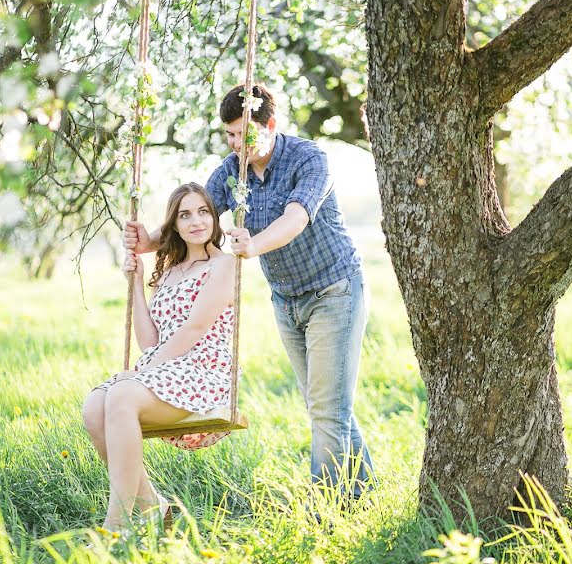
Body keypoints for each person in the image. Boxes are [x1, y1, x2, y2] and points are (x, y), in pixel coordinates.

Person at [124, 83, 375, 505]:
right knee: (326, 405)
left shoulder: (309, 159)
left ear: (270, 124)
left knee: (327, 407)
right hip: (287, 299)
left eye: (245, 134)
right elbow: (194, 216)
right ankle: (364, 493)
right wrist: (147, 241)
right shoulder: (230, 172)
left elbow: (296, 218)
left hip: (335, 290)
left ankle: (326, 508)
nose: (237, 144)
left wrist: (254, 246)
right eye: (230, 136)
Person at [82, 182, 237, 535]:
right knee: (94, 406)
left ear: (213, 217)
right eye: (185, 215)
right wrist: (136, 282)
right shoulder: (169, 272)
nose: (196, 221)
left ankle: (117, 526)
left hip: (203, 373)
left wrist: (143, 372)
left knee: (120, 394)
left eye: (202, 212)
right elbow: (150, 340)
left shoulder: (225, 266)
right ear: (175, 225)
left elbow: (194, 329)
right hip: (166, 369)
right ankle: (153, 506)